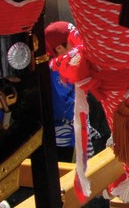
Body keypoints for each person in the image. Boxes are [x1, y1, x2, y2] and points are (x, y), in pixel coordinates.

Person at [45, 21, 102, 162]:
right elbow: (62, 106)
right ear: (59, 48)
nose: (79, 45)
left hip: (75, 132)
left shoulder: (71, 65)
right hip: (63, 137)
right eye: (73, 41)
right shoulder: (55, 71)